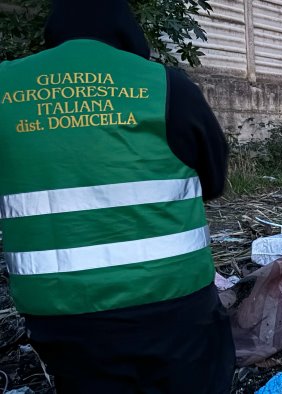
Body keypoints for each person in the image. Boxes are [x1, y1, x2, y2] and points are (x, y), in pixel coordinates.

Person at [0, 0, 234, 392]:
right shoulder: (164, 85)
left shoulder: (6, 87)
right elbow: (213, 179)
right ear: (129, 33)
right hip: (172, 305)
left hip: (60, 315)